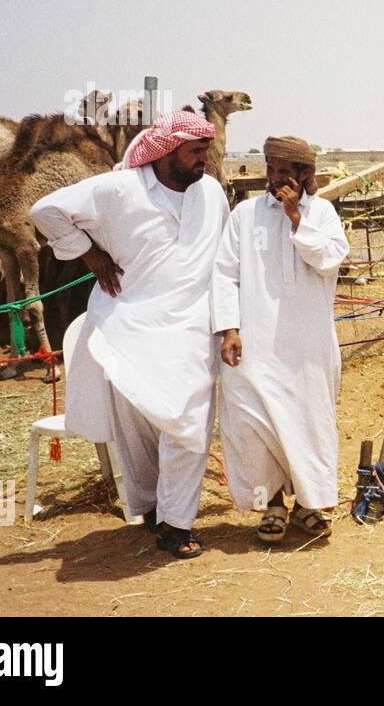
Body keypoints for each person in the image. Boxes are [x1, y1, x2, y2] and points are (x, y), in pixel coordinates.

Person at [30, 110, 229, 559]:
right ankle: (155, 509)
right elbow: (45, 210)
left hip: (193, 330)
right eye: (197, 150)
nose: (205, 159)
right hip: (131, 326)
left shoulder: (211, 191)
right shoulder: (120, 188)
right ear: (166, 151)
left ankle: (177, 525)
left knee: (189, 426)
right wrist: (89, 253)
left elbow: (223, 258)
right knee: (138, 428)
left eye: (206, 149)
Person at [212, 136, 349, 543]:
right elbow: (224, 273)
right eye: (270, 169)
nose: (275, 179)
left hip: (307, 343)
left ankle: (307, 505)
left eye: (284, 172)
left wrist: (295, 219)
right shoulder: (245, 214)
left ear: (305, 174)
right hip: (254, 340)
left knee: (307, 420)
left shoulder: (322, 213)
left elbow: (329, 258)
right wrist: (230, 328)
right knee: (253, 423)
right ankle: (271, 504)